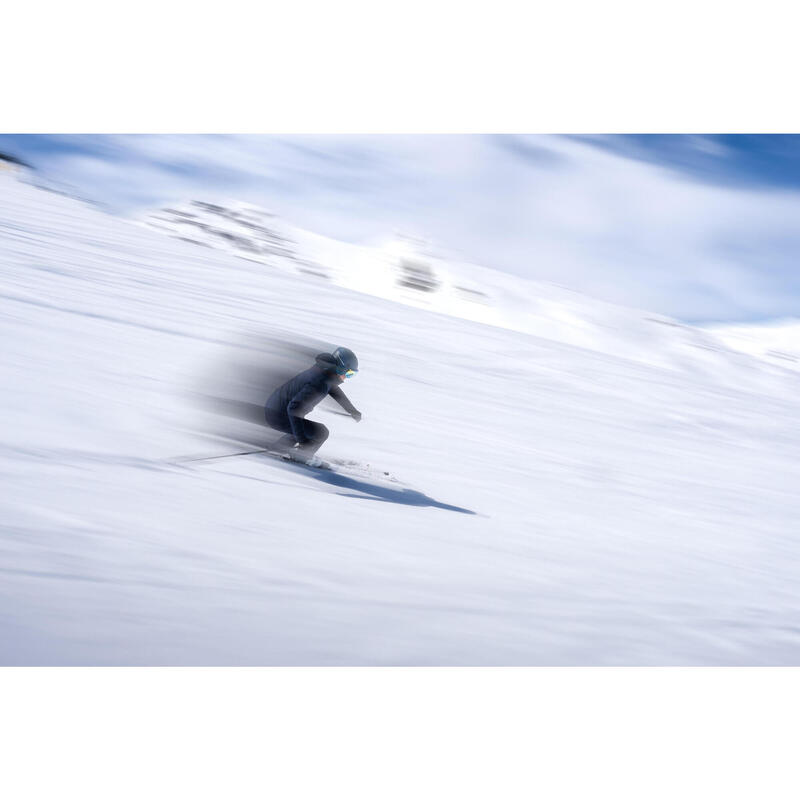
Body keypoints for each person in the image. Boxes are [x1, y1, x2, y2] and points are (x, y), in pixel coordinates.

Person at [264, 347, 361, 465]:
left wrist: (351, 410)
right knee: (321, 433)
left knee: (302, 429)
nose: (348, 377)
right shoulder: (320, 382)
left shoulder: (325, 373)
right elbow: (293, 409)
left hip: (274, 409)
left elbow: (334, 390)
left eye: (352, 374)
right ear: (341, 368)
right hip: (278, 414)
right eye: (349, 373)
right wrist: (303, 442)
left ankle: (276, 450)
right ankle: (302, 457)